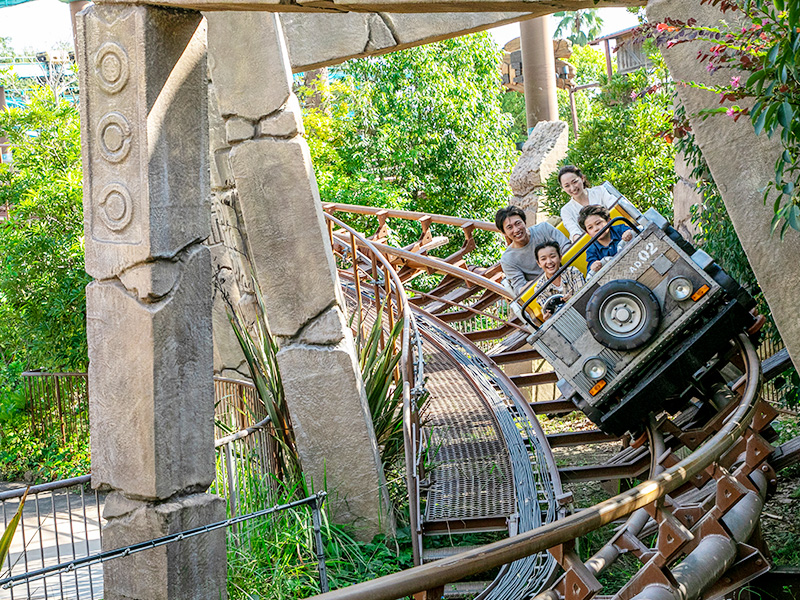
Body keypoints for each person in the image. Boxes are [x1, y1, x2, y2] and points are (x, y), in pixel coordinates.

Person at [496, 206, 571, 296]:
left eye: (518, 223)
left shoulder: (543, 229)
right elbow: (520, 288)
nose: (516, 230)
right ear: (504, 232)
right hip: (544, 293)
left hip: (569, 274)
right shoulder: (507, 259)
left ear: (524, 222)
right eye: (509, 227)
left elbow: (566, 246)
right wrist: (545, 280)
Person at [557, 165, 618, 242]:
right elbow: (574, 231)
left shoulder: (600, 191)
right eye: (567, 186)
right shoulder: (566, 210)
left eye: (575, 182)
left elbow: (615, 207)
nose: (572, 188)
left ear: (582, 178)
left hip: (615, 231)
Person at [531, 241, 585, 320]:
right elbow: (549, 311)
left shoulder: (573, 272)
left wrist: (573, 299)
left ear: (560, 257)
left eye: (552, 257)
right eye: (543, 259)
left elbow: (584, 296)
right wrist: (549, 317)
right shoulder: (539, 289)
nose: (549, 262)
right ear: (539, 263)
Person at [578, 204, 634, 273]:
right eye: (590, 227)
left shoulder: (620, 229)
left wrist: (629, 233)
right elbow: (591, 268)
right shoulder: (591, 250)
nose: (596, 229)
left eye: (598, 223)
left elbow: (635, 232)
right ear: (588, 233)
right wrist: (594, 266)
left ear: (608, 221)